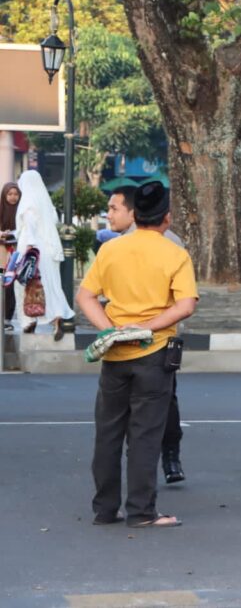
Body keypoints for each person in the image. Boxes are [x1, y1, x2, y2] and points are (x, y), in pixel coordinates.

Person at [76, 181, 198, 527]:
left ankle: (105, 509)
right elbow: (186, 305)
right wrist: (148, 327)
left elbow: (85, 296)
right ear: (166, 218)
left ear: (135, 214)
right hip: (154, 353)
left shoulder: (110, 250)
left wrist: (110, 330)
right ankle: (142, 511)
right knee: (145, 434)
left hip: (115, 356)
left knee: (108, 432)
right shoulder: (175, 254)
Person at [105, 185, 190, 484]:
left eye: (114, 208)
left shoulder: (170, 243)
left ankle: (169, 455)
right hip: (124, 340)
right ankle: (142, 475)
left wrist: (145, 325)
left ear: (134, 212)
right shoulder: (115, 247)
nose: (109, 215)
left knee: (163, 403)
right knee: (131, 411)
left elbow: (183, 301)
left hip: (157, 341)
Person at [14, 170, 75, 337]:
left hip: (32, 248)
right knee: (52, 286)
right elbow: (53, 221)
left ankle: (29, 321)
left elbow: (30, 224)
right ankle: (57, 319)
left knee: (26, 284)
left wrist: (30, 247)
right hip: (49, 249)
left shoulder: (27, 200)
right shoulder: (46, 202)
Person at [1, 181, 20, 324]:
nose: (13, 197)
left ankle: (7, 318)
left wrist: (14, 233)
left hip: (15, 253)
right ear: (4, 195)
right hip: (1, 252)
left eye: (16, 194)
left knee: (10, 285)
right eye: (10, 194)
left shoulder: (21, 211)